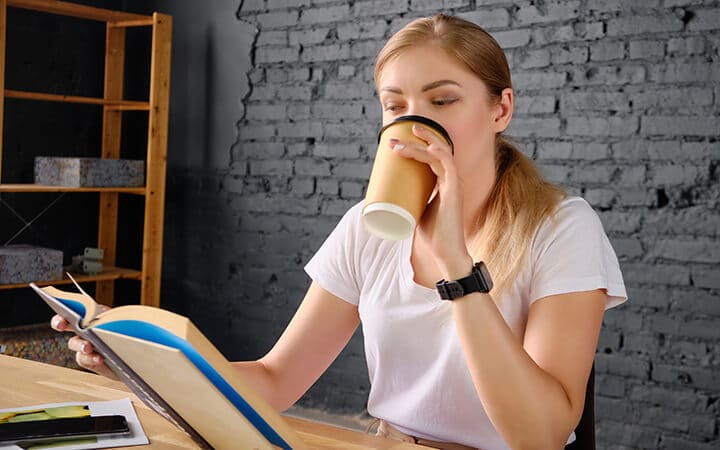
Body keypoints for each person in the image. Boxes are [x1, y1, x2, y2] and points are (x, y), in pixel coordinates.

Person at [52, 13, 627, 450]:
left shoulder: (560, 228)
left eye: (443, 100)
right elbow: (277, 380)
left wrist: (455, 259)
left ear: (500, 110)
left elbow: (542, 436)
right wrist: (142, 365)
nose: (414, 121)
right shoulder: (368, 227)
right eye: (394, 104)